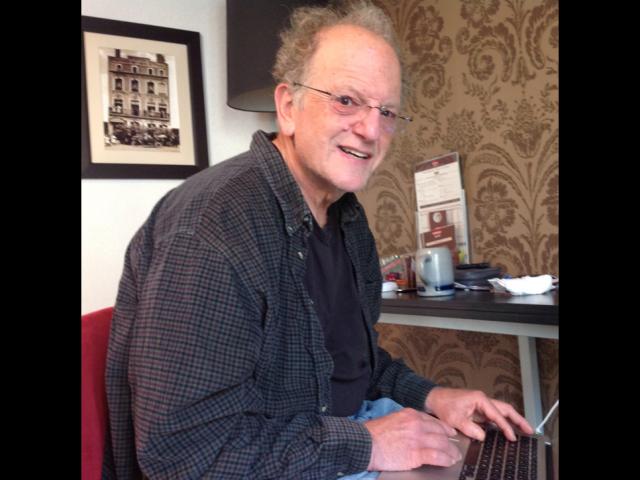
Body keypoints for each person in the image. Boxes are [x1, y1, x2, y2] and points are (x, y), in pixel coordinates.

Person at [102, 2, 533, 478]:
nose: (371, 129)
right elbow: (185, 453)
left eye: (387, 111)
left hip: (335, 433)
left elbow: (350, 367)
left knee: (504, 461)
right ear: (288, 106)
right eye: (346, 100)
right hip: (275, 460)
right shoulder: (213, 227)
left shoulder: (347, 218)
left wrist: (432, 397)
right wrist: (367, 446)